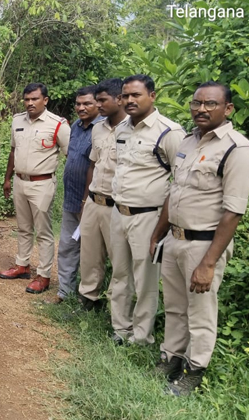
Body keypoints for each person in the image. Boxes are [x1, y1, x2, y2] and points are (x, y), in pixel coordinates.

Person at [149, 82, 249, 396]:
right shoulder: (188, 141)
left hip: (204, 245)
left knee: (201, 311)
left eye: (210, 103)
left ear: (228, 108)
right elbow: (173, 192)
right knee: (176, 306)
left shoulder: (237, 148)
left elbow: (233, 211)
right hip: (176, 240)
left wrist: (208, 263)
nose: (201, 109)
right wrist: (158, 233)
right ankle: (171, 360)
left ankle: (193, 372)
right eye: (196, 103)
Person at [108, 74, 185, 345]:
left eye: (136, 95)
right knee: (120, 275)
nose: (129, 100)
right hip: (119, 212)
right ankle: (120, 329)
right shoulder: (122, 129)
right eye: (126, 95)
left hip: (149, 217)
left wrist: (161, 229)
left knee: (145, 281)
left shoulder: (169, 132)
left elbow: (179, 183)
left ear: (152, 96)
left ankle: (141, 337)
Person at [0, 83, 71, 294]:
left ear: (45, 100)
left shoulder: (58, 125)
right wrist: (7, 179)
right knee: (23, 227)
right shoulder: (17, 120)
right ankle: (22, 265)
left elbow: (71, 156)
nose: (30, 103)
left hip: (42, 183)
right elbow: (13, 152)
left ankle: (44, 275)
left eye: (35, 99)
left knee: (43, 232)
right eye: (27, 99)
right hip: (20, 181)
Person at [78, 78, 128, 311]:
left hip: (117, 206)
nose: (98, 106)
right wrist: (86, 199)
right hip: (94, 201)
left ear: (119, 99)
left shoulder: (132, 128)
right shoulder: (98, 128)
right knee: (89, 256)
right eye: (96, 100)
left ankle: (115, 310)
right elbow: (92, 166)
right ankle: (88, 299)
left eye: (102, 100)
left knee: (118, 260)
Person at [51, 85, 102, 303]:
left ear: (98, 104)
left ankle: (89, 297)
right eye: (78, 104)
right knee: (67, 246)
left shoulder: (103, 130)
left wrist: (85, 202)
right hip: (71, 199)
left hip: (91, 202)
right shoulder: (76, 127)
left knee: (91, 252)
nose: (81, 107)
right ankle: (65, 292)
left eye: (87, 103)